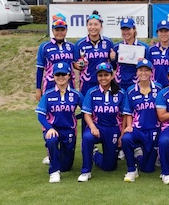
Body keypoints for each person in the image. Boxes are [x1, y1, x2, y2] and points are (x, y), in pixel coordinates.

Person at [36, 13, 75, 165]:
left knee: (66, 114)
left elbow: (78, 63)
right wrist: (37, 88)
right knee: (47, 117)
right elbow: (40, 69)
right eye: (57, 29)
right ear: (53, 30)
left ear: (66, 30)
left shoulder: (71, 46)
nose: (59, 32)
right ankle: (50, 150)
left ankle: (67, 146)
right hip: (49, 86)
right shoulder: (44, 46)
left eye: (62, 29)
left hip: (68, 85)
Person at [77, 62, 126, 182]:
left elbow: (125, 115)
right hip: (97, 127)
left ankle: (95, 154)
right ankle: (86, 171)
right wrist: (93, 127)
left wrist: (122, 134)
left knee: (110, 167)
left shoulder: (120, 93)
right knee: (87, 138)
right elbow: (87, 113)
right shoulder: (91, 92)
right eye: (100, 75)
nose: (103, 78)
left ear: (112, 75)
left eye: (106, 75)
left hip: (113, 129)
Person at [35, 62, 84, 183]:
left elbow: (86, 112)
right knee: (52, 140)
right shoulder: (47, 94)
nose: (60, 77)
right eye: (57, 75)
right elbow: (40, 115)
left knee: (66, 167)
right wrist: (49, 128)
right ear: (53, 76)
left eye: (63, 74)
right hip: (53, 129)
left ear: (69, 75)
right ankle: (54, 171)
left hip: (69, 131)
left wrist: (74, 117)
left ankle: (55, 158)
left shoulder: (76, 94)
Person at [74, 10, 115, 135]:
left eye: (96, 24)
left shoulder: (108, 43)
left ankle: (109, 142)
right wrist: (77, 65)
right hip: (86, 84)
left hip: (104, 84)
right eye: (90, 24)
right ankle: (88, 146)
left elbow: (112, 66)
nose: (93, 27)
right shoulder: (80, 44)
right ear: (87, 26)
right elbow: (75, 64)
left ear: (101, 26)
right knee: (87, 112)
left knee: (105, 112)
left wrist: (113, 59)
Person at [121, 60, 163, 182]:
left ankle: (139, 155)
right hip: (138, 129)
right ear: (137, 72)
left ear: (151, 72)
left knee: (148, 168)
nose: (143, 73)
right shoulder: (130, 90)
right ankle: (131, 170)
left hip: (154, 130)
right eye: (140, 70)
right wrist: (129, 126)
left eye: (146, 70)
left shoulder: (159, 88)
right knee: (126, 138)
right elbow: (128, 112)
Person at [112, 18, 149, 91]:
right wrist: (112, 58)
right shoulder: (116, 47)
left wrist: (145, 62)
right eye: (123, 30)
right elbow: (113, 67)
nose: (126, 32)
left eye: (128, 29)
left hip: (137, 82)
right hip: (120, 82)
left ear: (134, 29)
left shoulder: (144, 47)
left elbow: (150, 67)